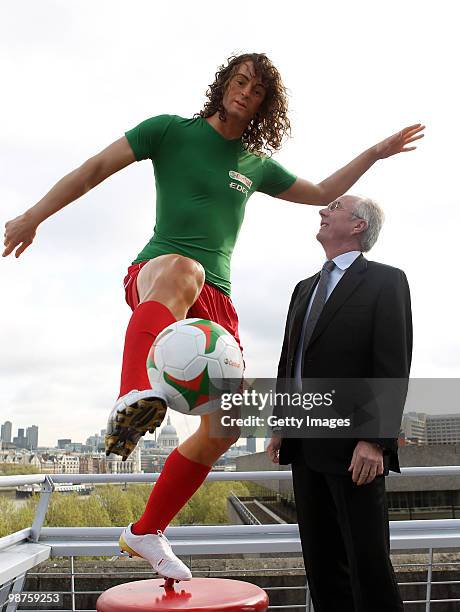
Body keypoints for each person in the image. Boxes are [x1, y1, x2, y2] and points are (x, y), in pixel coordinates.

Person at [3, 53, 423, 582]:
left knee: (227, 424)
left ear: (265, 105)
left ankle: (147, 530)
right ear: (224, 84)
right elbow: (92, 171)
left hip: (216, 304)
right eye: (239, 81)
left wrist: (378, 152)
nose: (245, 93)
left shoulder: (254, 163)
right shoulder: (167, 132)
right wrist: (33, 216)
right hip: (162, 273)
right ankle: (133, 394)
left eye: (256, 91)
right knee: (184, 269)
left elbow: (320, 192)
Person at [267, 194, 412, 611]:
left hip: (355, 453)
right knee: (323, 568)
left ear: (358, 225)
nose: (322, 211)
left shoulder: (387, 281)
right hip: (304, 448)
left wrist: (374, 440)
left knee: (369, 569)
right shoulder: (303, 288)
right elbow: (289, 360)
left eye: (333, 207)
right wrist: (281, 424)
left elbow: (391, 363)